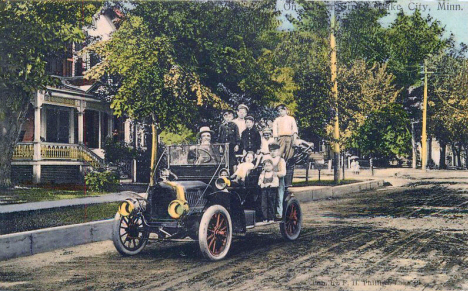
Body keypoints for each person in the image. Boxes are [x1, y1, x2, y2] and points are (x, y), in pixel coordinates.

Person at [264, 142, 286, 219]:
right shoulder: (268, 160)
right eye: (271, 151)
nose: (272, 153)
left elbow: (283, 173)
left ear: (278, 151)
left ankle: (279, 213)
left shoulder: (281, 160)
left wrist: (275, 174)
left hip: (279, 182)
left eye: (274, 151)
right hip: (268, 180)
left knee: (279, 197)